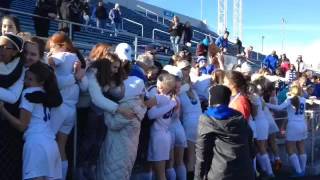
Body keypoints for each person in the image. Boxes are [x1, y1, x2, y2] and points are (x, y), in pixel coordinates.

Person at [0, 62, 62, 180]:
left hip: (35, 145)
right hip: (52, 145)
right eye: (25, 77)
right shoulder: (46, 92)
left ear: (41, 82)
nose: (26, 81)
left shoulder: (28, 93)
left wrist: (2, 110)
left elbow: (22, 126)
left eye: (30, 79)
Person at [194, 85, 254, 180]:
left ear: (211, 99)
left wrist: (198, 177)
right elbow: (250, 143)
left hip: (220, 172)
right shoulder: (239, 116)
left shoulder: (207, 118)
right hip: (245, 170)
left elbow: (202, 151)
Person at [47, 32, 84, 180]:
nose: (51, 50)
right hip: (71, 110)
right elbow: (85, 85)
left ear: (61, 46)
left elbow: (52, 64)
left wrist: (48, 58)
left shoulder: (63, 56)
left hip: (59, 107)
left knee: (48, 141)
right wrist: (76, 77)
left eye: (52, 47)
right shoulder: (77, 59)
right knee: (61, 145)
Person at [267, 85, 308, 177]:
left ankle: (298, 171)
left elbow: (278, 108)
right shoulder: (303, 100)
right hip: (302, 124)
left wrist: (266, 104)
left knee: (290, 149)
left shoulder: (290, 100)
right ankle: (303, 170)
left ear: (292, 91)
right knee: (301, 147)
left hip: (293, 125)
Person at [0, 33, 25, 180]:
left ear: (15, 51)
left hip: (10, 123)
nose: (1, 50)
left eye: (5, 47)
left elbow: (13, 97)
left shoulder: (20, 68)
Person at [147, 73, 178, 180]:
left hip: (158, 136)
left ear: (166, 87)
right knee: (156, 171)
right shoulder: (173, 99)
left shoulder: (160, 98)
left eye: (159, 86)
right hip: (164, 134)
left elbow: (150, 114)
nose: (157, 88)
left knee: (160, 174)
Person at [177, 60, 202, 180]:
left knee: (191, 156)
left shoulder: (182, 90)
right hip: (199, 122)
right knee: (197, 156)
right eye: (185, 69)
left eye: (187, 69)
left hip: (190, 123)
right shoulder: (187, 89)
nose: (187, 72)